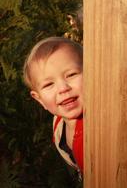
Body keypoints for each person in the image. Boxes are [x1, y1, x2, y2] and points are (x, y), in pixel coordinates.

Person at [23, 37, 83, 178]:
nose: (63, 88)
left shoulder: (102, 122)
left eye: (71, 74)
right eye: (49, 84)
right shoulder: (58, 125)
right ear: (40, 100)